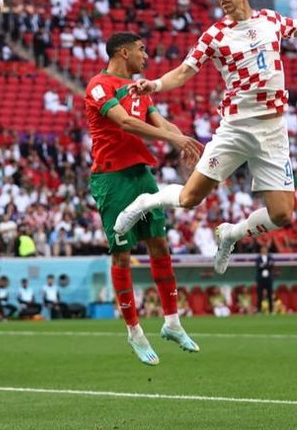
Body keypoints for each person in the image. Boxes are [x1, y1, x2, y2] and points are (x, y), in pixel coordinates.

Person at [114, 0, 297, 276]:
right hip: (236, 128)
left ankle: (231, 233)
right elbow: (183, 72)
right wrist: (155, 85)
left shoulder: (271, 20)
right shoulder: (215, 35)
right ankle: (144, 203)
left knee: (283, 215)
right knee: (190, 198)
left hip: (273, 131)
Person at [84, 31, 202, 365]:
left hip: (141, 174)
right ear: (123, 52)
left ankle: (172, 322)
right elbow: (125, 124)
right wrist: (171, 139)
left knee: (159, 245)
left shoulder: (140, 90)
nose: (146, 56)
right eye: (141, 50)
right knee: (122, 255)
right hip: (111, 177)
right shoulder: (99, 85)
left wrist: (187, 141)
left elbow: (157, 120)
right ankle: (134, 332)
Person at [255, 244, 273, 314]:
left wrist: (263, 265)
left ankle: (271, 310)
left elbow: (272, 265)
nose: (264, 250)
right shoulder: (258, 258)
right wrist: (266, 265)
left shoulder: (270, 257)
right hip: (261, 278)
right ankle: (259, 310)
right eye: (263, 249)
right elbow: (258, 267)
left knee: (270, 294)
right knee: (259, 295)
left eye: (265, 249)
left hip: (268, 278)